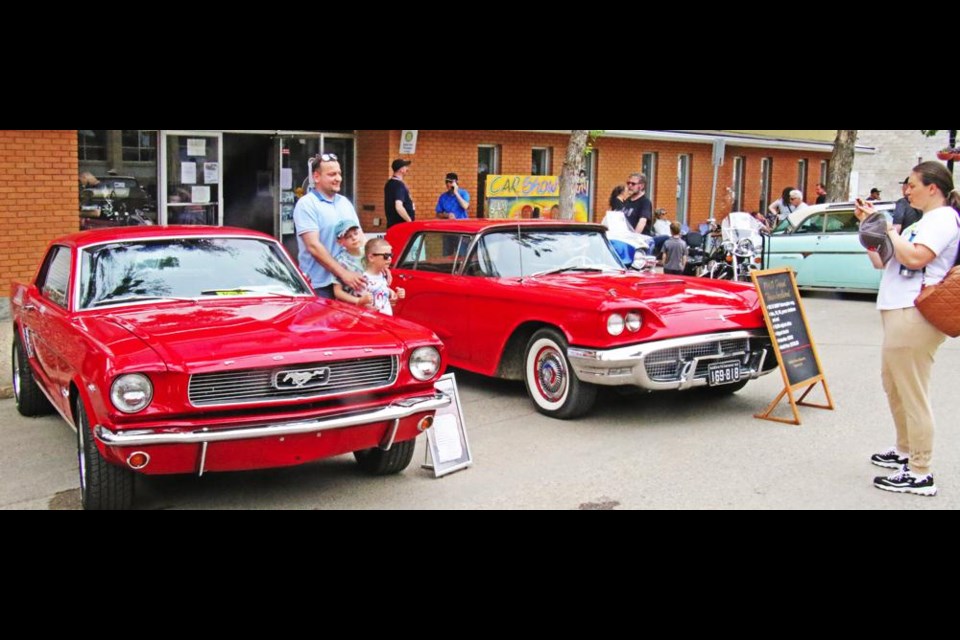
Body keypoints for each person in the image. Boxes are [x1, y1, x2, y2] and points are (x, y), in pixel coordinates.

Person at [854, 161, 960, 496]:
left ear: (933, 188)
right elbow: (883, 260)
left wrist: (888, 230)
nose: (906, 190)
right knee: (895, 385)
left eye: (912, 184)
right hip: (898, 309)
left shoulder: (942, 219)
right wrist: (872, 227)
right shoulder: (924, 220)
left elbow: (916, 258)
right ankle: (904, 450)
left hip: (914, 312)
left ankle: (920, 470)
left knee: (911, 392)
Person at [293, 152, 366, 299]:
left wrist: (376, 263)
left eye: (339, 173)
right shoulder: (307, 204)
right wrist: (343, 274)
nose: (338, 178)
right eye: (332, 174)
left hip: (350, 284)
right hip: (321, 287)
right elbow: (313, 246)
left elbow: (360, 238)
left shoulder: (344, 202)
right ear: (316, 177)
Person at [331, 220, 373, 308]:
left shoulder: (369, 253)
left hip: (373, 303)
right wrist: (359, 301)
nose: (354, 238)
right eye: (348, 237)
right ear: (340, 242)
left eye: (355, 233)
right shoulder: (341, 261)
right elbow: (337, 292)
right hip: (352, 308)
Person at [362, 237, 405, 316]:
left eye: (391, 255)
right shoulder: (364, 279)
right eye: (386, 256)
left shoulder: (382, 276)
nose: (389, 259)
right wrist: (366, 306)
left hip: (385, 320)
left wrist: (396, 295)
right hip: (371, 323)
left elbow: (384, 298)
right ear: (371, 257)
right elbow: (358, 305)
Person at [384, 158, 415, 228]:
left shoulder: (389, 183)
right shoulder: (399, 185)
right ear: (401, 170)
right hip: (401, 225)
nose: (408, 169)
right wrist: (410, 221)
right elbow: (399, 207)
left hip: (392, 225)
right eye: (406, 167)